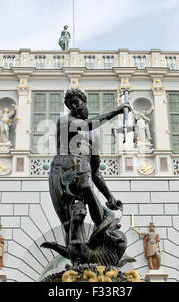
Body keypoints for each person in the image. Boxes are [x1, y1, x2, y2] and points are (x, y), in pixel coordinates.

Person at [49, 88, 130, 246]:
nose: (77, 105)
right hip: (61, 174)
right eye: (72, 102)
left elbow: (96, 172)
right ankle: (78, 258)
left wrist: (109, 196)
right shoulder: (65, 121)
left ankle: (102, 238)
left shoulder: (92, 135)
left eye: (79, 101)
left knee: (89, 188)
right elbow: (86, 125)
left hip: (82, 174)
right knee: (70, 225)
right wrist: (115, 111)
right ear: (70, 106)